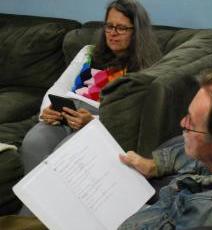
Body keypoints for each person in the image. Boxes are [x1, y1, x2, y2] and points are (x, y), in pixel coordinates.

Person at [20, 0, 161, 175]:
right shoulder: (88, 52)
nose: (113, 33)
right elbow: (57, 89)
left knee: (65, 156)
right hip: (64, 114)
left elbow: (131, 118)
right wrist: (47, 111)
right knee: (33, 143)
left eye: (122, 28)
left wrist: (92, 122)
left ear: (138, 31)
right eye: (109, 26)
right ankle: (31, 203)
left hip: (97, 124)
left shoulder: (145, 68)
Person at [118, 71, 212, 229]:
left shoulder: (209, 213)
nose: (182, 122)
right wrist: (153, 166)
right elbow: (186, 153)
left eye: (192, 123)